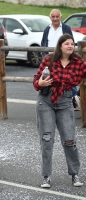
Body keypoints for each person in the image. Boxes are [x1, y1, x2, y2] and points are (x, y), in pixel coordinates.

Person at [33, 33, 85, 188]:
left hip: (65, 102)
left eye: (72, 44)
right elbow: (36, 81)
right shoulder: (49, 60)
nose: (70, 46)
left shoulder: (78, 63)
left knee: (69, 140)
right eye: (67, 43)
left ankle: (74, 174)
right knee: (47, 140)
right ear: (60, 46)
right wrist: (40, 83)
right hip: (46, 101)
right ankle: (46, 176)